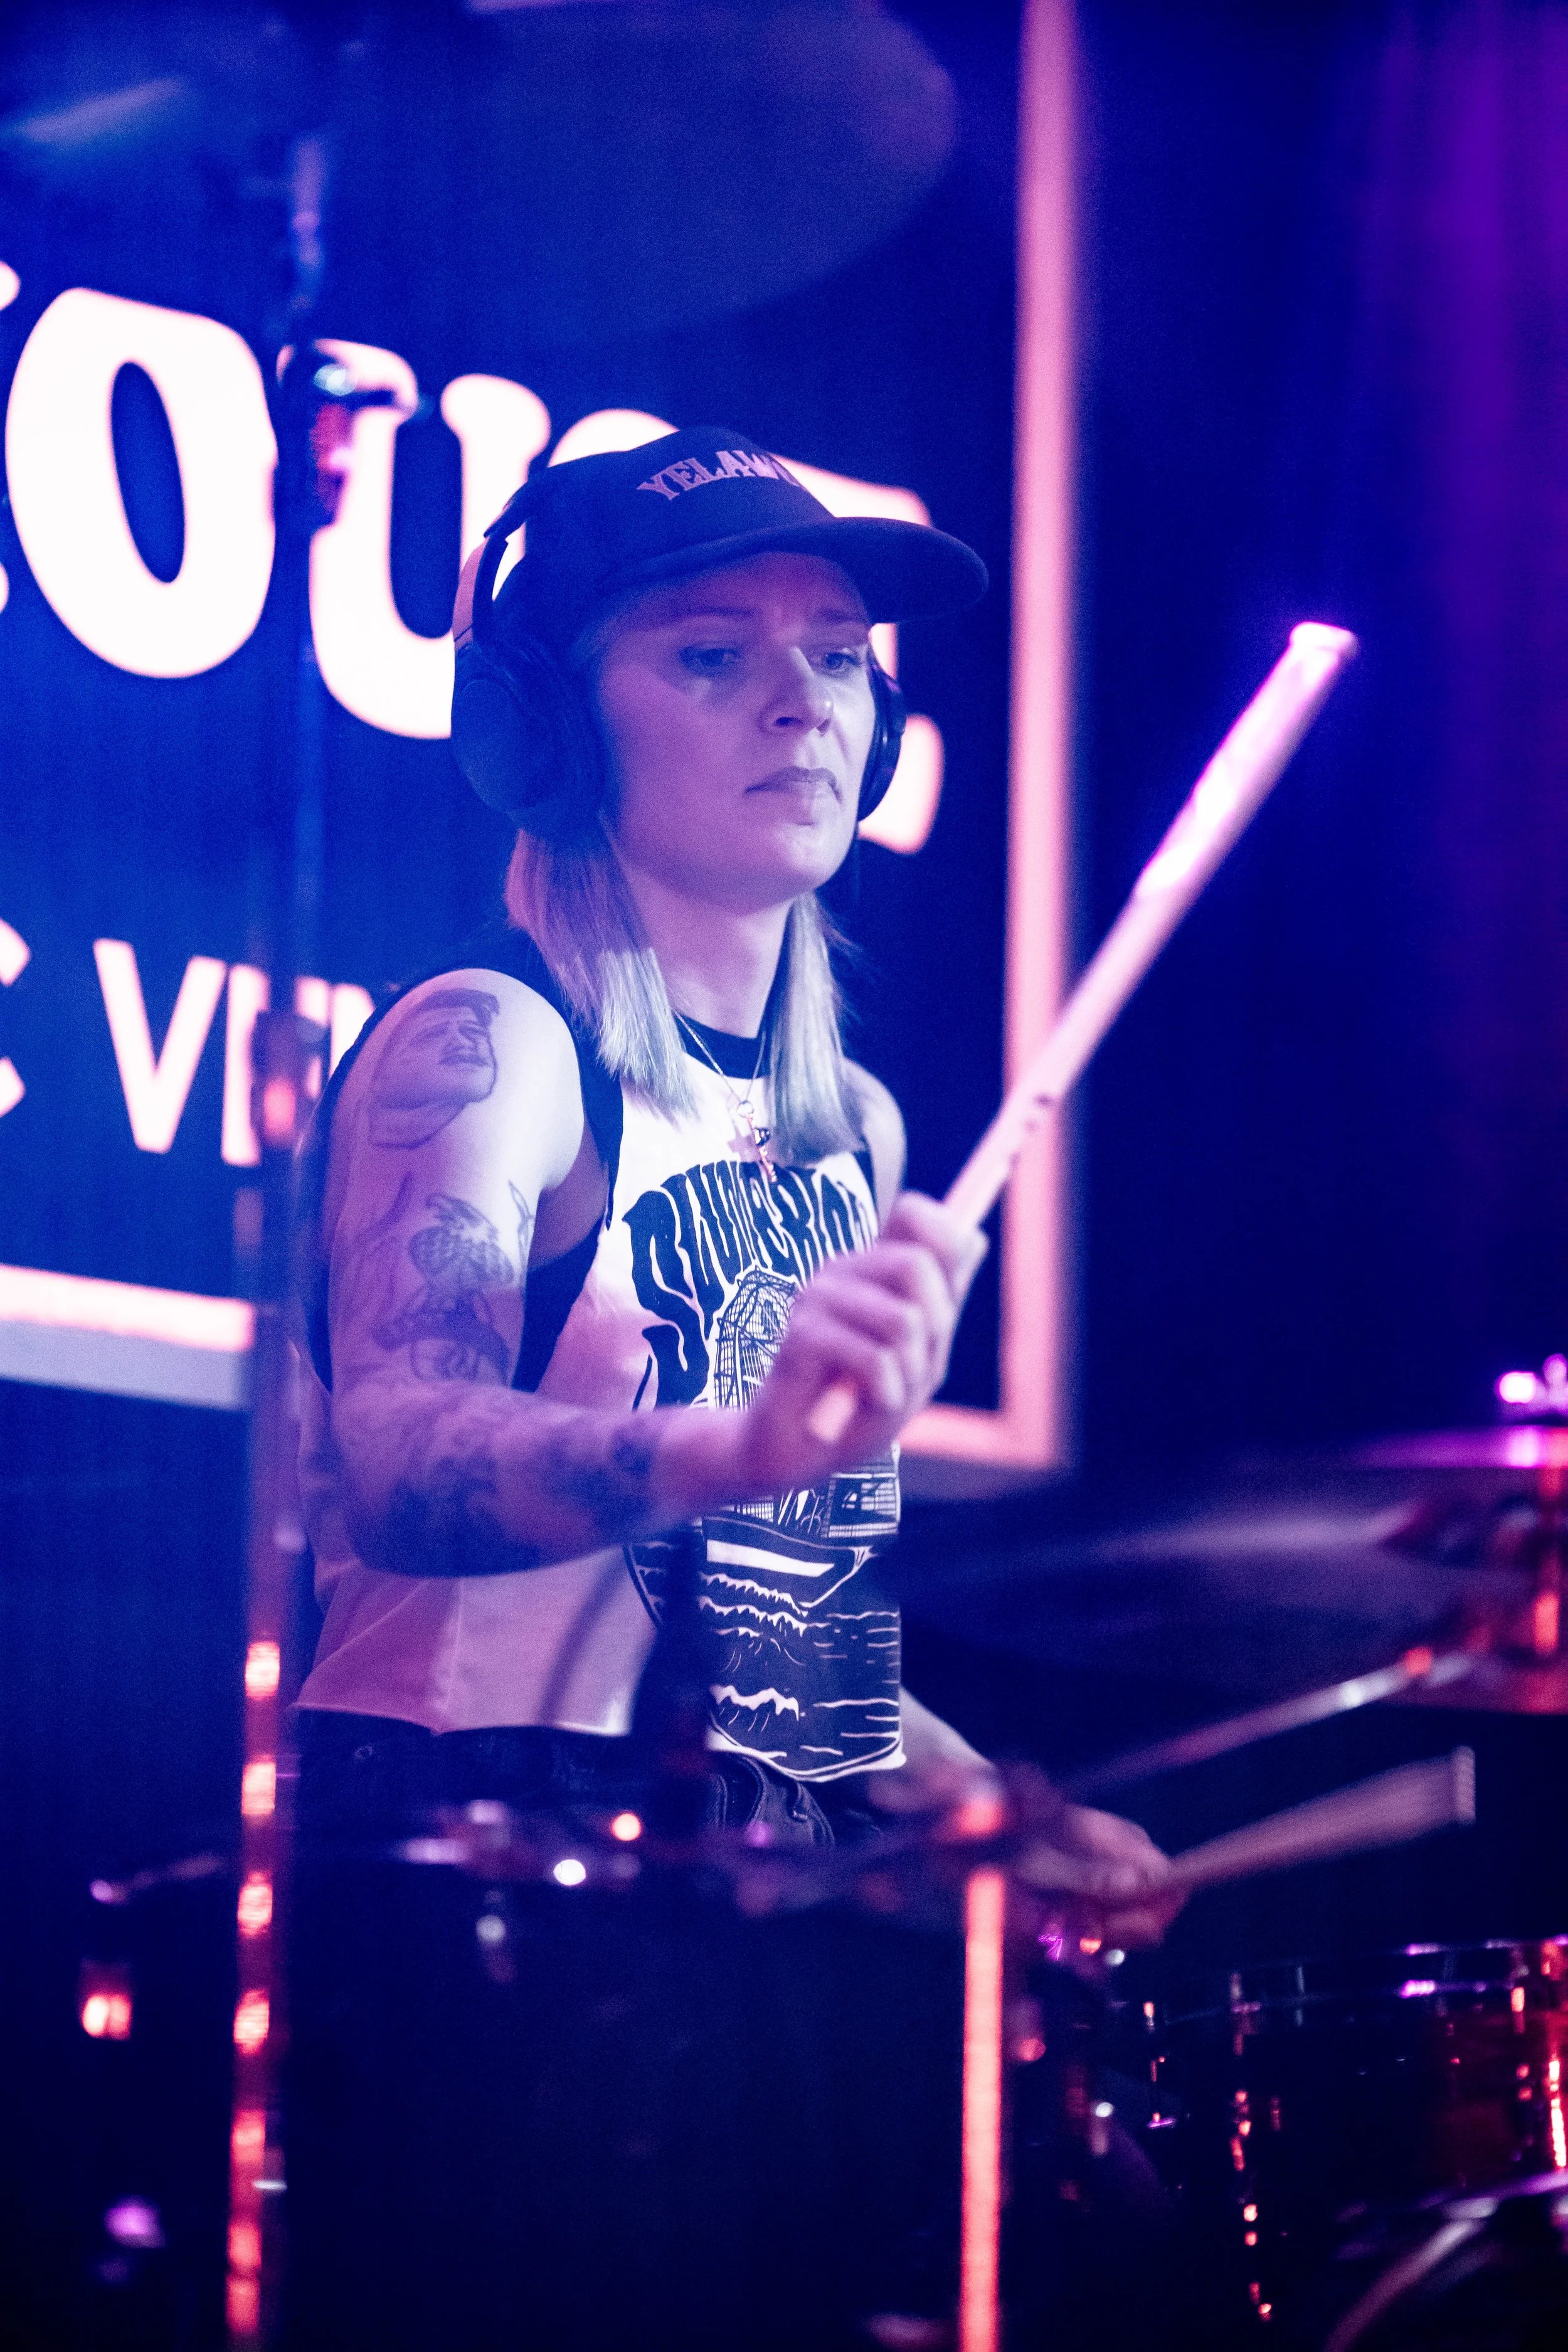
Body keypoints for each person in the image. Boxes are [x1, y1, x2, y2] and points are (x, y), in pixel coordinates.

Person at [285, 428, 1179, 2351]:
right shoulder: (490, 1040)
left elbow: (783, 1645)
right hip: (458, 1882)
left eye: (839, 655)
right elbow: (404, 1456)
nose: (801, 699)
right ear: (552, 726)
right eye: (709, 652)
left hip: (724, 1897)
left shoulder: (840, 1132)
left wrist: (986, 1810)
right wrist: (738, 1441)